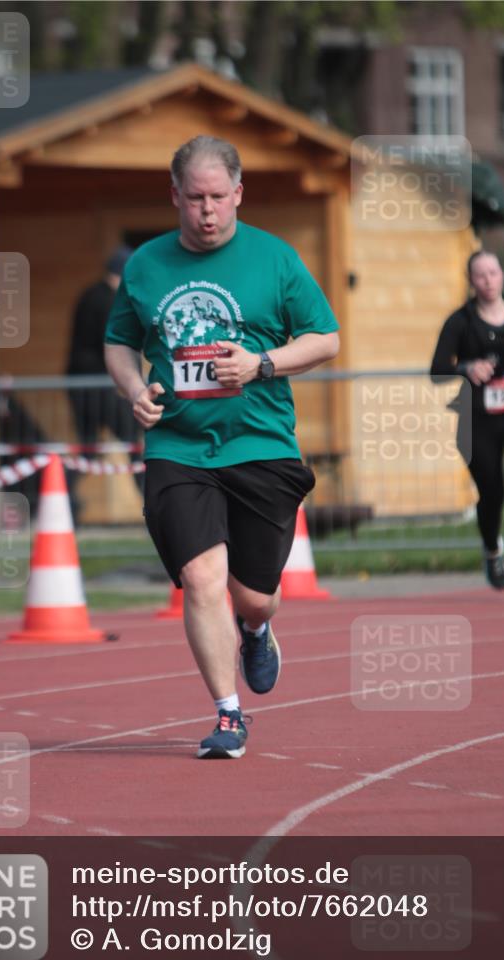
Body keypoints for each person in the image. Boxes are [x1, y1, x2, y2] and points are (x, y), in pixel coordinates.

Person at [105, 135, 340, 759]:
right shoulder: (146, 266)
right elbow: (118, 342)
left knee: (254, 594)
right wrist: (134, 389)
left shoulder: (274, 258)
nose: (207, 211)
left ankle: (257, 628)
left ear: (239, 194)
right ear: (174, 196)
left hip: (260, 443)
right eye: (195, 198)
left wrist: (262, 363)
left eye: (218, 197)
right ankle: (228, 714)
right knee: (200, 578)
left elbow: (326, 339)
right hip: (177, 446)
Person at [431, 250, 504, 590]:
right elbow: (437, 370)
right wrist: (466, 367)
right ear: (471, 281)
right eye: (480, 275)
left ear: (502, 275)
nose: (488, 280)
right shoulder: (460, 322)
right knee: (493, 493)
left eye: (493, 272)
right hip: (479, 419)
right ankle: (493, 550)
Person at [65, 245, 144, 512]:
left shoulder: (91, 294)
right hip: (101, 386)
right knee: (134, 440)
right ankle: (152, 503)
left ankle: (57, 495)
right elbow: (117, 345)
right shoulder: (109, 301)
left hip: (81, 386)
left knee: (88, 449)